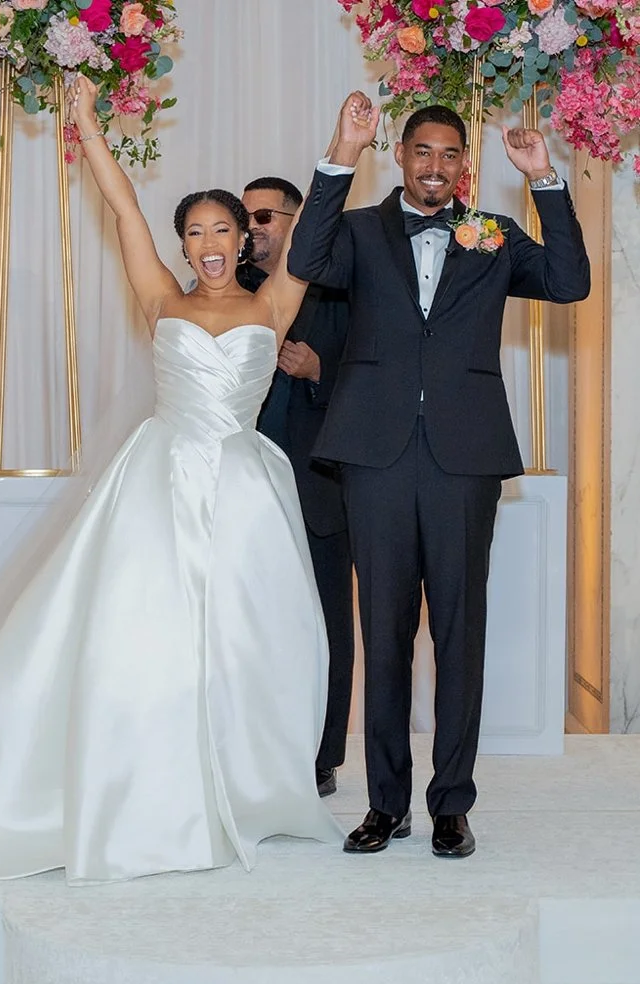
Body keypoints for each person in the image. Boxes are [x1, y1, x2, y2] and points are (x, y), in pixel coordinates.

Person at [0, 77, 345, 885]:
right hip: (156, 480)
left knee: (253, 638)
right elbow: (123, 208)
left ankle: (250, 787)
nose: (208, 241)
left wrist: (343, 150)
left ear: (243, 240)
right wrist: (88, 125)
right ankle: (147, 794)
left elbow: (315, 235)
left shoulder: (275, 304)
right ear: (184, 243)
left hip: (243, 487)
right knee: (146, 639)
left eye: (222, 228)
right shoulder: (159, 295)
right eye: (194, 230)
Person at [287, 94, 590, 858]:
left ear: (465, 166)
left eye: (449, 155)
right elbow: (303, 259)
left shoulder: (495, 235)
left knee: (460, 633)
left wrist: (544, 177)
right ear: (402, 156)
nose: (434, 166)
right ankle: (384, 805)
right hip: (374, 457)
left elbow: (570, 281)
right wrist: (340, 149)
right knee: (383, 635)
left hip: (464, 458)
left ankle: (452, 804)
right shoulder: (358, 233)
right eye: (422, 151)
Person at [238, 176, 353, 798]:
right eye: (243, 216)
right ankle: (252, 743)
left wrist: (319, 371)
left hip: (318, 486)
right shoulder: (229, 294)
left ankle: (323, 753)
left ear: (295, 220)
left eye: (263, 215)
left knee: (329, 623)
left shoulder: (336, 291)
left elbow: (375, 380)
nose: (250, 228)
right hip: (243, 490)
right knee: (250, 623)